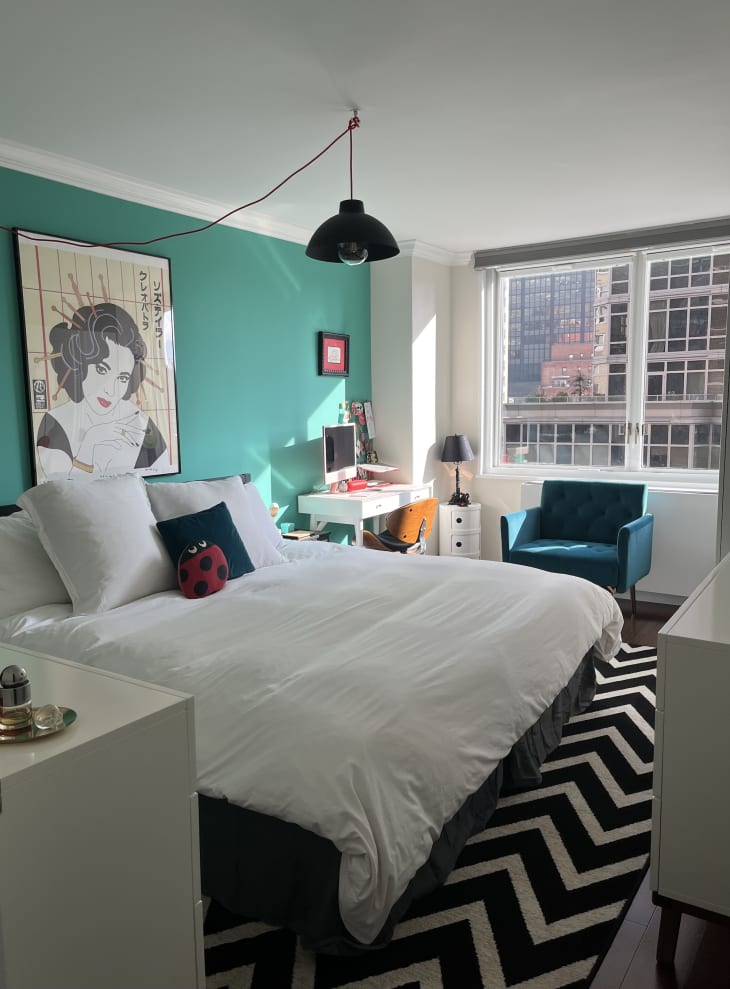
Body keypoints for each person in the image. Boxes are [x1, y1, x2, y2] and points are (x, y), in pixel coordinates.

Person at [36, 302, 169, 480]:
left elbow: (160, 471)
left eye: (122, 378)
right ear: (79, 365)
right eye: (101, 370)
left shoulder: (141, 423)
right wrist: (89, 444)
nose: (110, 390)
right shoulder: (54, 424)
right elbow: (63, 494)